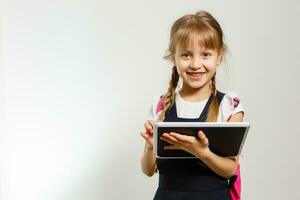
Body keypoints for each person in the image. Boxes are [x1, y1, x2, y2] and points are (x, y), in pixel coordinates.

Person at [140, 10, 245, 200]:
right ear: (174, 57)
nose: (196, 64)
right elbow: (148, 170)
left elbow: (230, 169)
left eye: (205, 54)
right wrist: (150, 147)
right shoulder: (161, 106)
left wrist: (201, 152)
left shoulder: (229, 106)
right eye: (186, 55)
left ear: (219, 56)